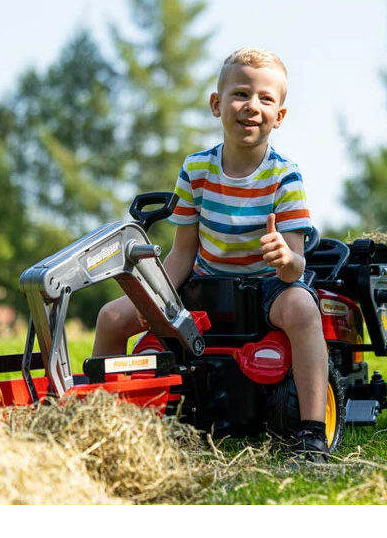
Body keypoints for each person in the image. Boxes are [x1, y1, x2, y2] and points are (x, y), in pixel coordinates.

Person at [93, 47, 330, 462]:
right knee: (111, 317)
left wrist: (283, 257)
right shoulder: (196, 169)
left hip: (267, 287)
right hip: (205, 286)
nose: (252, 106)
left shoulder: (285, 176)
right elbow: (182, 253)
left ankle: (311, 434)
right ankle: (99, 422)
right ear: (217, 105)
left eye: (266, 99)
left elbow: (297, 266)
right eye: (240, 94)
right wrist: (156, 299)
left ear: (281, 116)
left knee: (305, 311)